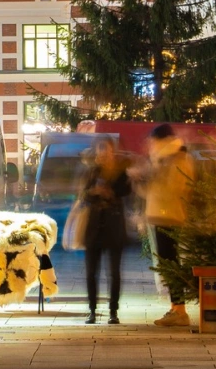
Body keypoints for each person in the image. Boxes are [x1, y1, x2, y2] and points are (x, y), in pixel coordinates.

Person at [140, 124, 196, 328]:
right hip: (161, 216)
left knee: (171, 265)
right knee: (168, 265)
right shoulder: (163, 159)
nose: (150, 145)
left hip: (170, 217)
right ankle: (176, 307)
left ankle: (180, 311)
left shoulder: (176, 159)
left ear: (161, 140)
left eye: (152, 141)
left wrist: (150, 179)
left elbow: (173, 190)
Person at [79, 140, 132, 325]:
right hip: (94, 227)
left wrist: (111, 192)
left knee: (114, 273)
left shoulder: (119, 172)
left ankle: (113, 311)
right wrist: (94, 191)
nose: (103, 154)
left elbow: (127, 191)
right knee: (91, 272)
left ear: (112, 152)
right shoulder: (91, 171)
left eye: (106, 150)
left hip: (114, 226)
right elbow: (83, 195)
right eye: (100, 150)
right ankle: (92, 311)